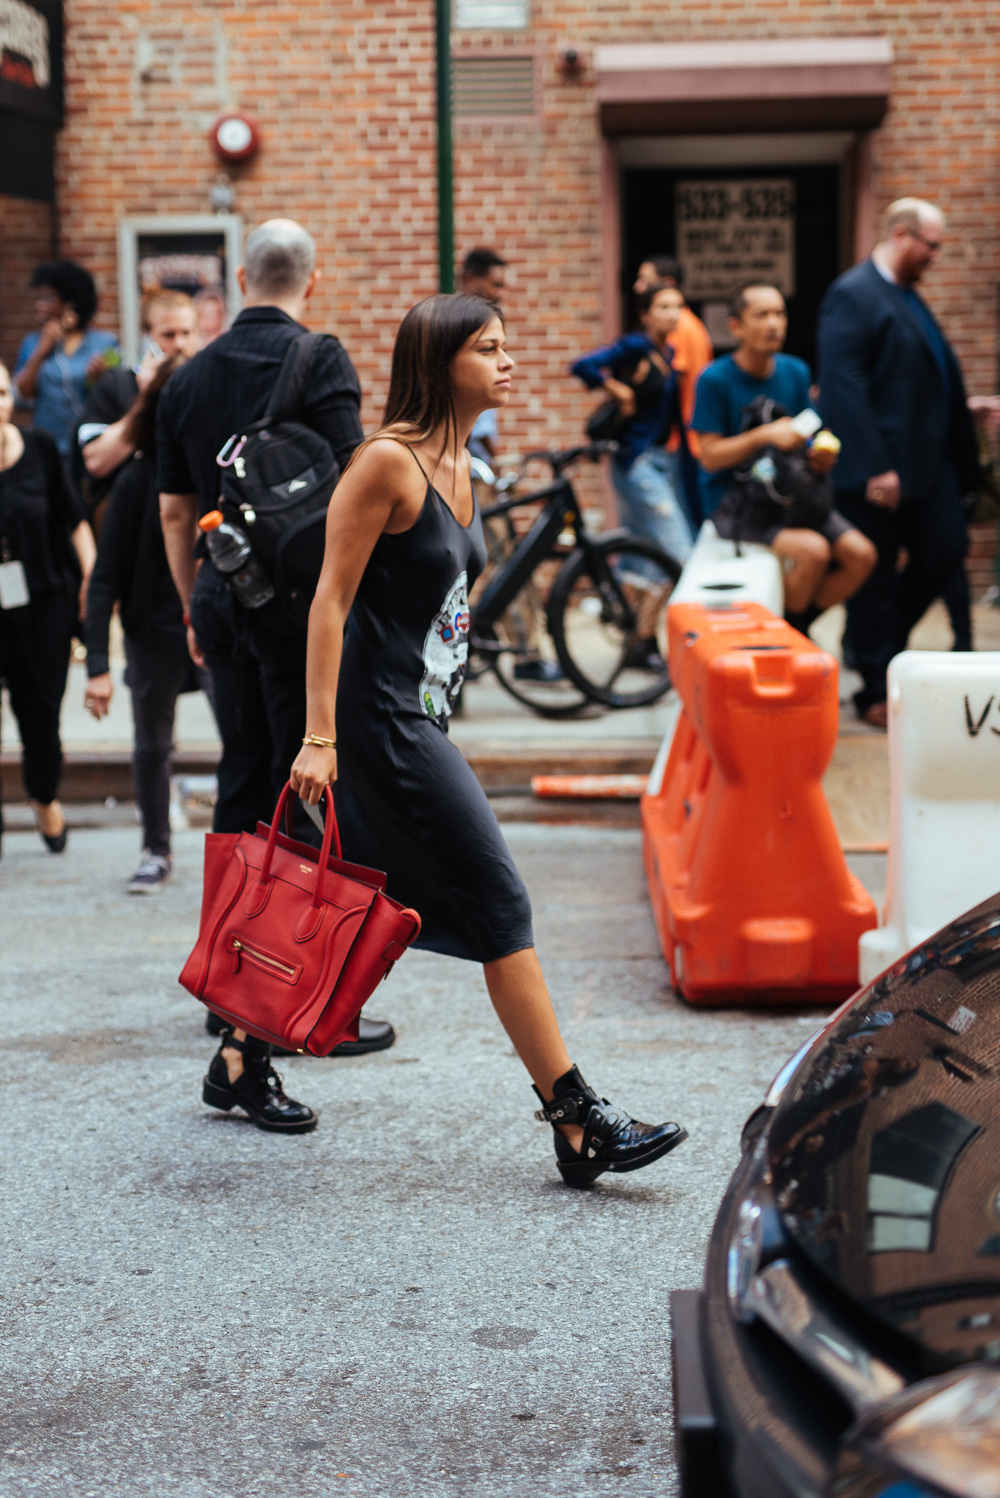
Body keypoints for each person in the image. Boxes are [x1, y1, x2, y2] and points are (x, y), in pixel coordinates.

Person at [287, 291, 689, 1182]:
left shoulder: (463, 459)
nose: (509, 362)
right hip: (381, 721)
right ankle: (579, 1118)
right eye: (490, 349)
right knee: (498, 903)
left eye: (507, 346)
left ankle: (239, 1049)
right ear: (441, 364)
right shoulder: (385, 464)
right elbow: (329, 602)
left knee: (366, 899)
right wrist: (320, 736)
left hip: (419, 715)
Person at [157, 217, 395, 1110]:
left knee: (241, 772)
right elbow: (350, 494)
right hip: (299, 608)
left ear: (240, 277)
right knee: (303, 788)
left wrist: (192, 602)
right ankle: (282, 993)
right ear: (312, 278)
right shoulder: (320, 360)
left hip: (220, 597)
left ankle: (229, 985)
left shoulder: (186, 379)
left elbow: (177, 513)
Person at [817, 198, 980, 727]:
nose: (935, 256)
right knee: (876, 580)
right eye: (931, 245)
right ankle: (872, 687)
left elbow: (913, 383)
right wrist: (872, 466)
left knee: (946, 549)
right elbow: (844, 384)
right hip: (879, 473)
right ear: (903, 235)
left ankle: (883, 647)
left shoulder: (909, 298)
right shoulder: (854, 294)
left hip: (927, 469)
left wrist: (964, 408)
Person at [83, 353, 211, 893]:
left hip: (212, 623)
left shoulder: (215, 470)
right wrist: (96, 665)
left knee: (244, 737)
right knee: (153, 743)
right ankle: (156, 849)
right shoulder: (137, 479)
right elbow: (105, 576)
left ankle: (256, 855)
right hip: (153, 627)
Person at [692, 282, 875, 629]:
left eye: (779, 313)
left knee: (861, 555)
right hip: (736, 504)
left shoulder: (795, 371)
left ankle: (795, 627)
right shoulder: (714, 379)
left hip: (792, 495)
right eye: (761, 315)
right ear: (736, 327)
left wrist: (819, 452)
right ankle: (791, 635)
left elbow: (807, 433)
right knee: (814, 552)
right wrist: (763, 435)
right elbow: (710, 456)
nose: (774, 323)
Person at [0, 360, 96, 855]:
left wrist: (91, 583)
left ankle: (42, 797)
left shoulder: (38, 449)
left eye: (0, 392)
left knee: (40, 711)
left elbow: (74, 520)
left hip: (45, 605)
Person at [572, 283, 694, 593]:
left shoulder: (669, 352)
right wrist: (617, 388)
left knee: (640, 557)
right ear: (646, 315)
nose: (672, 314)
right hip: (635, 459)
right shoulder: (635, 346)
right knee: (679, 551)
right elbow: (582, 365)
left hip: (663, 458)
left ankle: (638, 635)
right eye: (664, 307)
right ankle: (649, 629)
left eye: (677, 307)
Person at [74, 290, 199, 524]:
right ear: (147, 337)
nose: (180, 344)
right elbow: (96, 463)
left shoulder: (205, 384)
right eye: (168, 335)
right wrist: (147, 397)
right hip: (132, 522)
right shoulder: (116, 384)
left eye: (187, 333)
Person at [13, 261, 119, 457]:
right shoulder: (33, 342)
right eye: (40, 298)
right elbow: (21, 394)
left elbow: (117, 396)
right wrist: (42, 350)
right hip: (47, 445)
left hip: (88, 444)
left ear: (70, 304)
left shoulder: (105, 343)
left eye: (48, 298)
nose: (39, 304)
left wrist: (100, 378)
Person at [459, 248, 507, 465]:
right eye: (494, 284)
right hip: (471, 461)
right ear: (468, 279)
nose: (499, 294)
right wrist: (495, 462)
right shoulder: (460, 327)